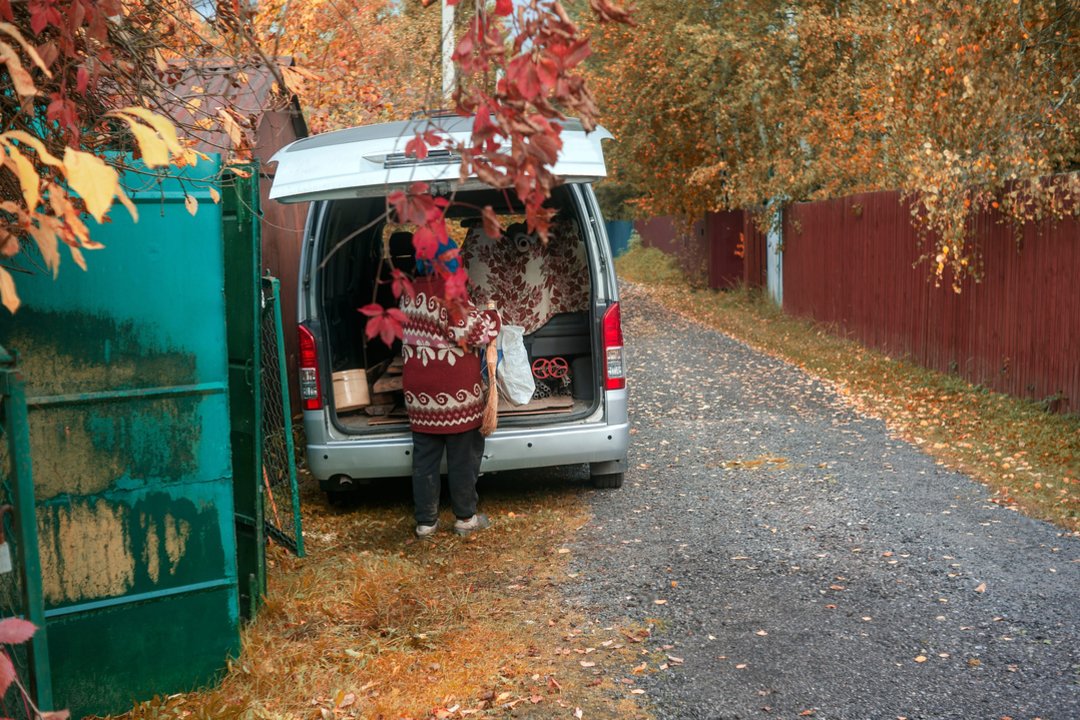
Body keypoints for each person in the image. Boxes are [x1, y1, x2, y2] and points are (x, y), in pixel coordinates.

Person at [398, 236, 501, 538]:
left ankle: (426, 523)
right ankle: (465, 518)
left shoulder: (406, 292)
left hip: (419, 395)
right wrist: (493, 317)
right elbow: (469, 331)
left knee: (425, 458)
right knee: (462, 456)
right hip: (455, 395)